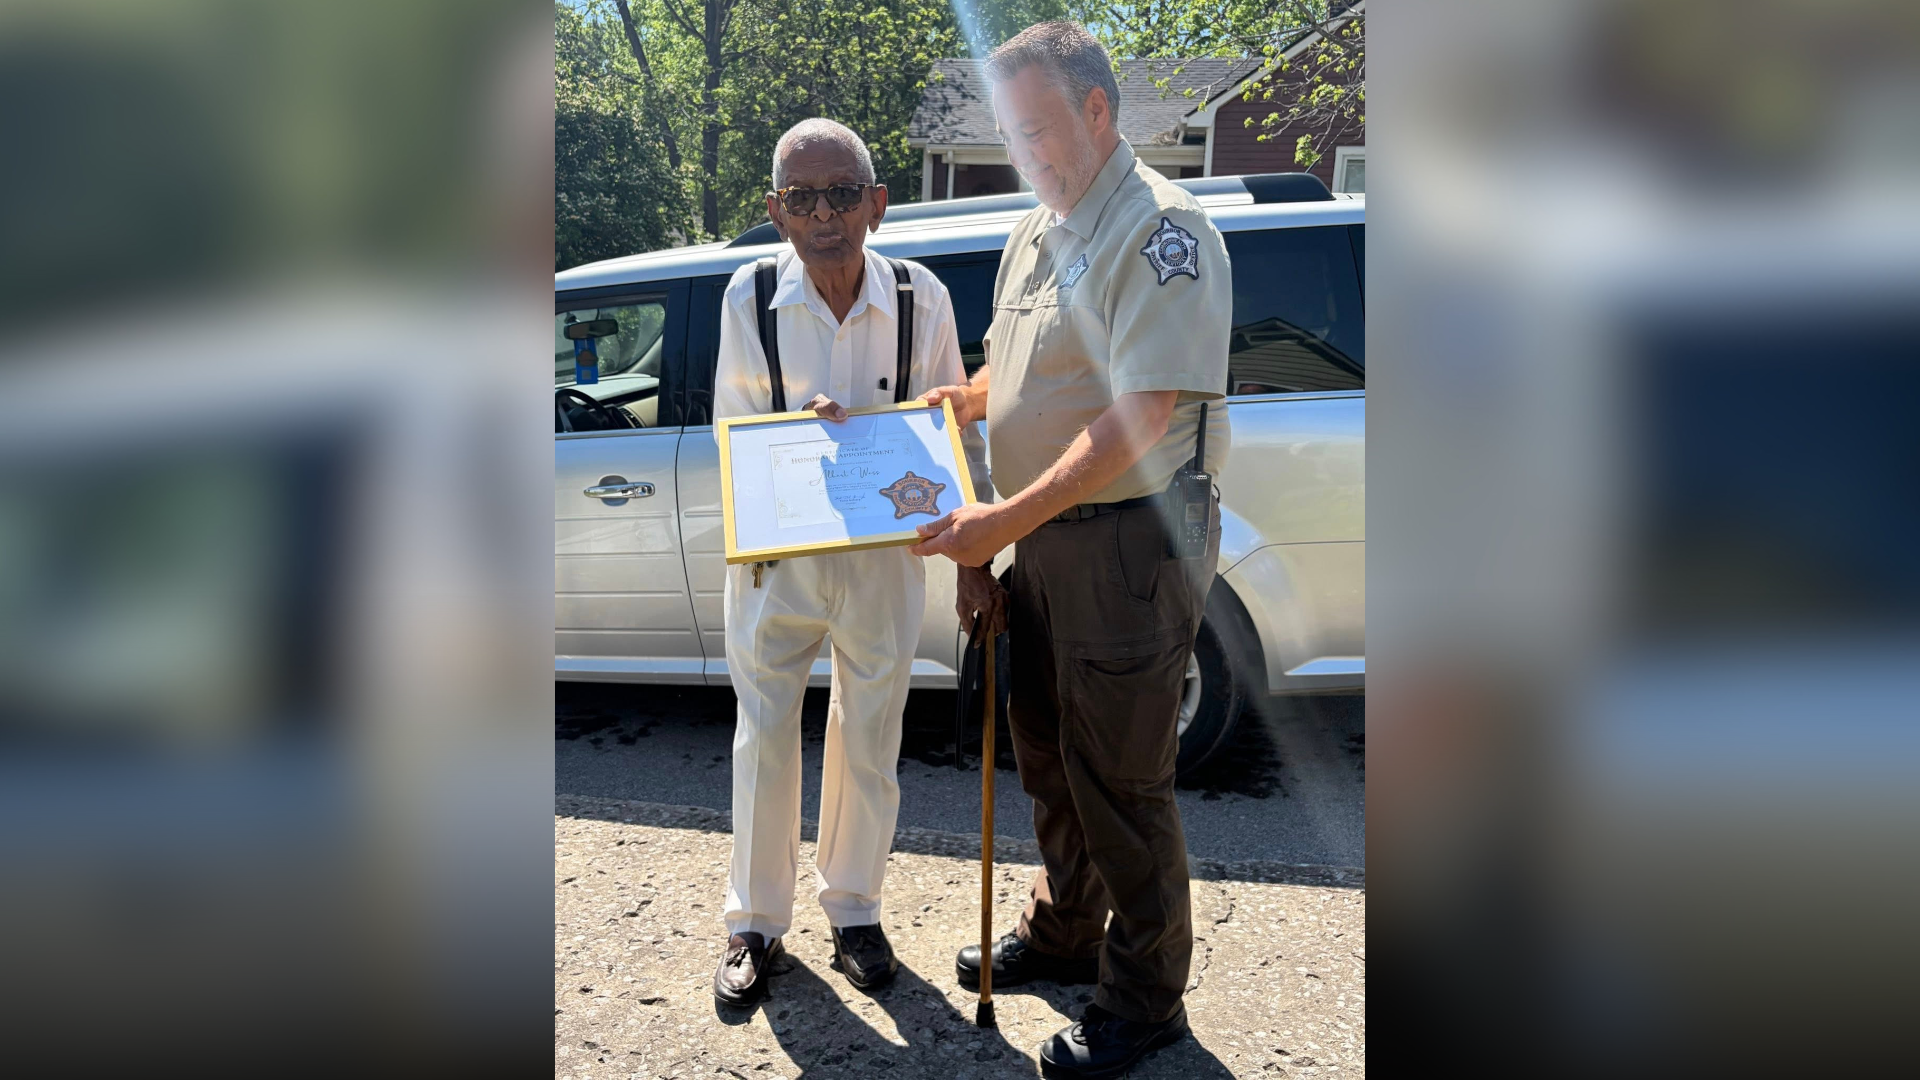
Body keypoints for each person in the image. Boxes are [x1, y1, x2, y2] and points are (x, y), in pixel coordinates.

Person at [910, 22, 1233, 1078]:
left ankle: (1144, 1004)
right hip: (1048, 542)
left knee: (1121, 782)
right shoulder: (1035, 233)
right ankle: (1064, 933)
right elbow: (1025, 382)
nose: (1028, 152)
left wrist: (997, 525)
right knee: (1047, 751)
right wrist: (946, 409)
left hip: (1127, 548)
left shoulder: (1163, 231)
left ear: (1099, 111)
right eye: (1012, 134)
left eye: (1042, 128)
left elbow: (1140, 417)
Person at [710, 118, 981, 1005]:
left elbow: (946, 431)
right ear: (775, 210)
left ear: (877, 203)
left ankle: (855, 909)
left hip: (880, 562)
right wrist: (798, 429)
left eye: (840, 193)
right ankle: (755, 921)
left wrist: (974, 554)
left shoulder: (919, 296)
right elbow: (735, 432)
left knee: (870, 739)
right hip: (777, 561)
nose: (822, 213)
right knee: (763, 736)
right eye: (800, 197)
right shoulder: (748, 296)